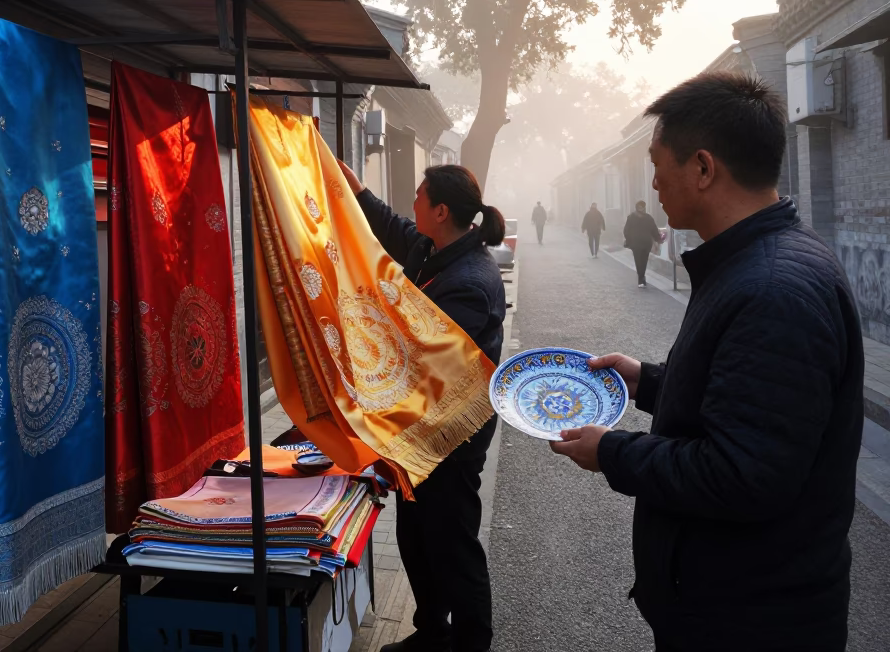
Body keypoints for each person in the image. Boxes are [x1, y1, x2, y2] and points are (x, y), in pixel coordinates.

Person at [550, 72, 864, 652]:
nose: (653, 181)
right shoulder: (754, 263)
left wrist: (613, 451)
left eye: (656, 162)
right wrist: (647, 381)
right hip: (728, 602)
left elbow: (745, 475)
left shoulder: (773, 288)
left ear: (701, 167)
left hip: (752, 620)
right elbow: (740, 400)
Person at [337, 161, 505, 652]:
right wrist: (354, 185)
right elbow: (392, 226)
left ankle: (472, 642)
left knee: (452, 541)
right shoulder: (435, 247)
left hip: (454, 432)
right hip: (422, 425)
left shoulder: (471, 281)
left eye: (419, 195)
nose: (412, 202)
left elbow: (416, 354)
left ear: (441, 210)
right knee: (414, 535)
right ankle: (432, 630)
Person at [623, 200, 659, 286]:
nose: (641, 208)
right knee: (638, 261)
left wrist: (658, 239)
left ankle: (641, 276)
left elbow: (654, 229)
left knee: (644, 261)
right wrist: (629, 239)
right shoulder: (631, 217)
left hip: (646, 243)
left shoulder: (648, 218)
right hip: (635, 244)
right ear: (636, 207)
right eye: (639, 207)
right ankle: (641, 278)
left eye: (642, 207)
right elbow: (626, 230)